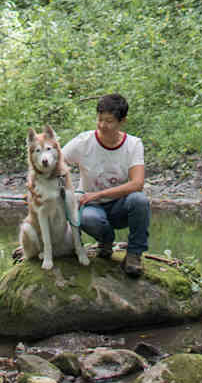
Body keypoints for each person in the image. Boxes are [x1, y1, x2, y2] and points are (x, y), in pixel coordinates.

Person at [62, 92, 150, 277]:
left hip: (119, 206)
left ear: (122, 121)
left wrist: (98, 194)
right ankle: (106, 242)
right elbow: (57, 163)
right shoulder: (84, 142)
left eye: (109, 121)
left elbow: (137, 183)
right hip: (90, 206)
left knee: (139, 200)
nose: (103, 125)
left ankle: (134, 254)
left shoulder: (133, 145)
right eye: (100, 119)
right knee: (87, 219)